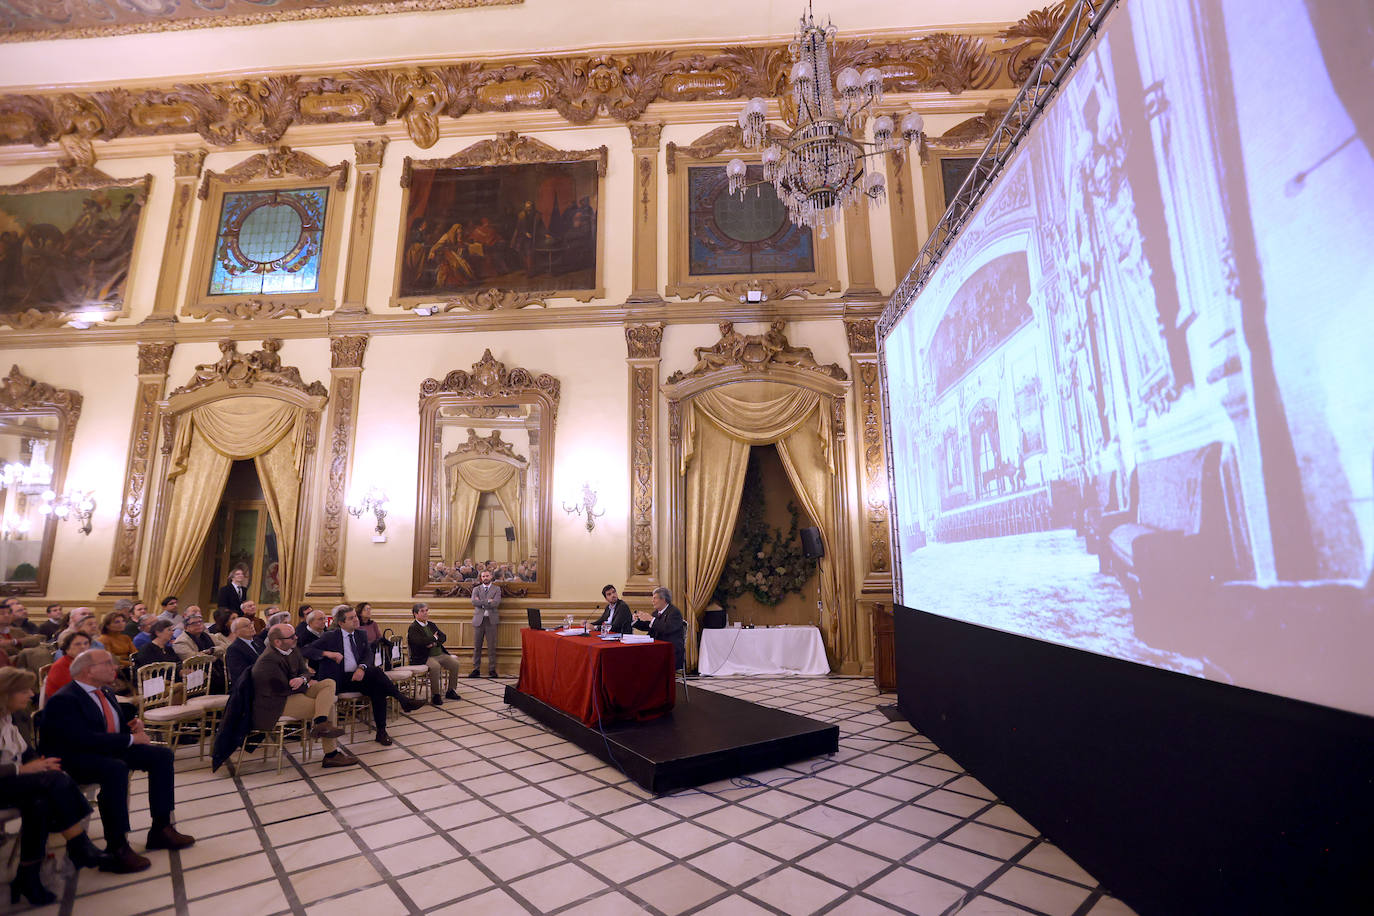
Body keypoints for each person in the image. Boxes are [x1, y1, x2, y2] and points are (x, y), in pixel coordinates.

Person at [39, 649, 195, 874]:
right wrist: (131, 739)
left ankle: (161, 828)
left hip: (104, 750)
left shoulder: (104, 691)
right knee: (115, 769)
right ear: (88, 670)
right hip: (74, 758)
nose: (115, 668)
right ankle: (117, 846)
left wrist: (133, 726)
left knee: (162, 756)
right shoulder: (65, 698)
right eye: (108, 664)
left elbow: (110, 724)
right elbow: (82, 739)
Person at [0, 667, 108, 904]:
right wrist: (23, 769)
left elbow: (25, 752)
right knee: (56, 780)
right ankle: (79, 844)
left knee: (39, 803)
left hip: (11, 784)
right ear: (6, 693)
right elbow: (17, 765)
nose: (31, 694)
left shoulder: (12, 717)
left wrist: (39, 763)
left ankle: (28, 876)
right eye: (25, 690)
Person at [303, 605, 423, 746]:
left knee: (378, 689)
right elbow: (305, 650)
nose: (355, 620)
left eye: (355, 616)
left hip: (357, 677)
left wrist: (361, 667)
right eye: (351, 618)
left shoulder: (361, 634)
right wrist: (328, 654)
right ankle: (403, 700)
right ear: (341, 623)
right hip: (338, 680)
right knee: (377, 673)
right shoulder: (330, 636)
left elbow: (368, 655)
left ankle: (381, 732)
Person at [251, 624, 356, 769]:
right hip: (277, 701)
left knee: (328, 683)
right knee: (327, 706)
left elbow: (305, 672)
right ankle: (331, 754)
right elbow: (281, 688)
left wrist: (303, 679)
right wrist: (304, 683)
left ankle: (320, 723)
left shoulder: (292, 650)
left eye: (295, 635)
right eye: (291, 637)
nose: (296, 638)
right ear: (277, 642)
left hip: (296, 690)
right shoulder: (268, 660)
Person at [407, 603, 462, 706]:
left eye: (426, 610)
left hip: (439, 654)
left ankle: (450, 691)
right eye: (422, 611)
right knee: (435, 667)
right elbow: (420, 642)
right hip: (425, 656)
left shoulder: (431, 624)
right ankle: (435, 695)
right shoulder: (413, 628)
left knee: (455, 664)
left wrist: (434, 642)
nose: (425, 613)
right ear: (415, 614)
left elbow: (443, 637)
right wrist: (434, 638)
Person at [633, 586, 687, 672]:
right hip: (657, 648)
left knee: (643, 659)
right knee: (635, 654)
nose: (652, 601)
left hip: (671, 651)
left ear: (663, 600)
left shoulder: (674, 612)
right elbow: (647, 626)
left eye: (655, 598)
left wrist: (651, 619)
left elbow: (667, 628)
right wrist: (636, 620)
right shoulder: (656, 613)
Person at [470, 568, 501, 678]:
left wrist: (481, 602)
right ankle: (476, 669)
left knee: (491, 647)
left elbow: (496, 603)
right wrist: (488, 601)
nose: (485, 578)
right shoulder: (476, 589)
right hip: (479, 621)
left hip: (491, 621)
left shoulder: (497, 589)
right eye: (483, 576)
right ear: (481, 578)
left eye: (487, 576)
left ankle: (492, 669)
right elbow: (474, 602)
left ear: (491, 577)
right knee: (477, 646)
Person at [44, 630, 91, 702]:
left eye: (86, 643)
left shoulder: (86, 662)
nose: (83, 647)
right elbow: (74, 691)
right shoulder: (60, 666)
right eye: (77, 644)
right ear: (67, 648)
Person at [224, 617, 261, 688]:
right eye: (246, 626)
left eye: (251, 623)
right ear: (236, 632)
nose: (251, 626)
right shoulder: (234, 649)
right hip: (247, 685)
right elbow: (241, 673)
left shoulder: (258, 642)